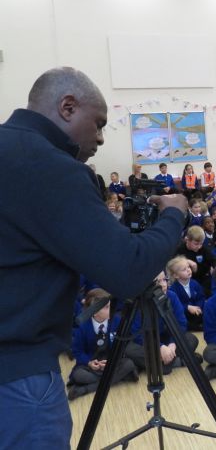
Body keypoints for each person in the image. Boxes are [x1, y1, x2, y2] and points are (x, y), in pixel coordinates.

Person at [0, 67, 188, 449]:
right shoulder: (53, 167)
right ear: (68, 107)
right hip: (18, 374)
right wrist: (173, 216)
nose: (101, 138)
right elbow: (129, 271)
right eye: (98, 124)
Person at [67, 288, 138, 400]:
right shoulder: (83, 327)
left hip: (111, 362)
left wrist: (112, 360)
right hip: (92, 365)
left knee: (128, 364)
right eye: (106, 307)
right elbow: (77, 351)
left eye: (110, 306)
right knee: (79, 375)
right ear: (94, 312)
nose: (111, 309)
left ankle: (86, 389)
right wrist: (89, 362)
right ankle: (117, 378)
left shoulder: (116, 321)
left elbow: (123, 344)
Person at [167, 256, 205, 331]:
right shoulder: (173, 289)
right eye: (184, 269)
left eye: (188, 267)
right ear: (176, 275)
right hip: (183, 313)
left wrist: (198, 307)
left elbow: (201, 297)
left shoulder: (195, 283)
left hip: (197, 311)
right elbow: (175, 305)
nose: (188, 270)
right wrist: (187, 307)